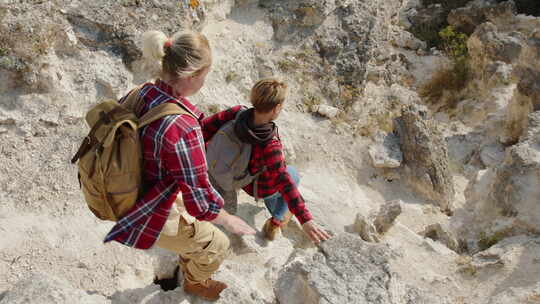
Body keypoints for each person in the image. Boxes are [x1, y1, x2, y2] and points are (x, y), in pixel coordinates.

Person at [103, 30, 255, 302]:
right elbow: (201, 205)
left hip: (130, 185)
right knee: (217, 244)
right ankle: (194, 284)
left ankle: (186, 256)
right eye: (205, 75)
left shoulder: (142, 92)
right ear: (192, 76)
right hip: (149, 210)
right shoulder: (183, 129)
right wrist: (229, 219)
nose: (205, 81)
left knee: (193, 215)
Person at [202, 78, 330, 244]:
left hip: (221, 169)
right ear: (276, 108)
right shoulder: (269, 143)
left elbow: (203, 129)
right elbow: (285, 182)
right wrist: (306, 219)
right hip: (252, 186)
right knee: (293, 175)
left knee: (281, 177)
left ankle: (276, 213)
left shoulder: (236, 113)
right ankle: (275, 221)